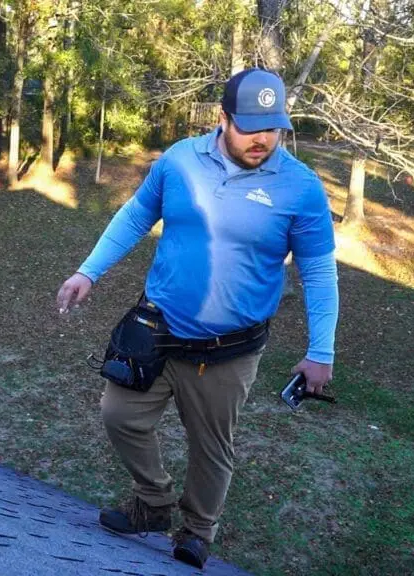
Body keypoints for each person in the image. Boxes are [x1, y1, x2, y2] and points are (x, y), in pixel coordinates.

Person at [55, 68, 339, 569]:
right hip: (158, 331)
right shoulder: (180, 160)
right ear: (223, 118)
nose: (263, 139)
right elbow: (137, 215)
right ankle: (153, 502)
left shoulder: (301, 188)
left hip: (229, 350)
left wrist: (321, 352)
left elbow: (318, 273)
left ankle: (197, 530)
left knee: (212, 448)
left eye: (273, 127)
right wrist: (89, 272)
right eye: (251, 126)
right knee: (119, 415)